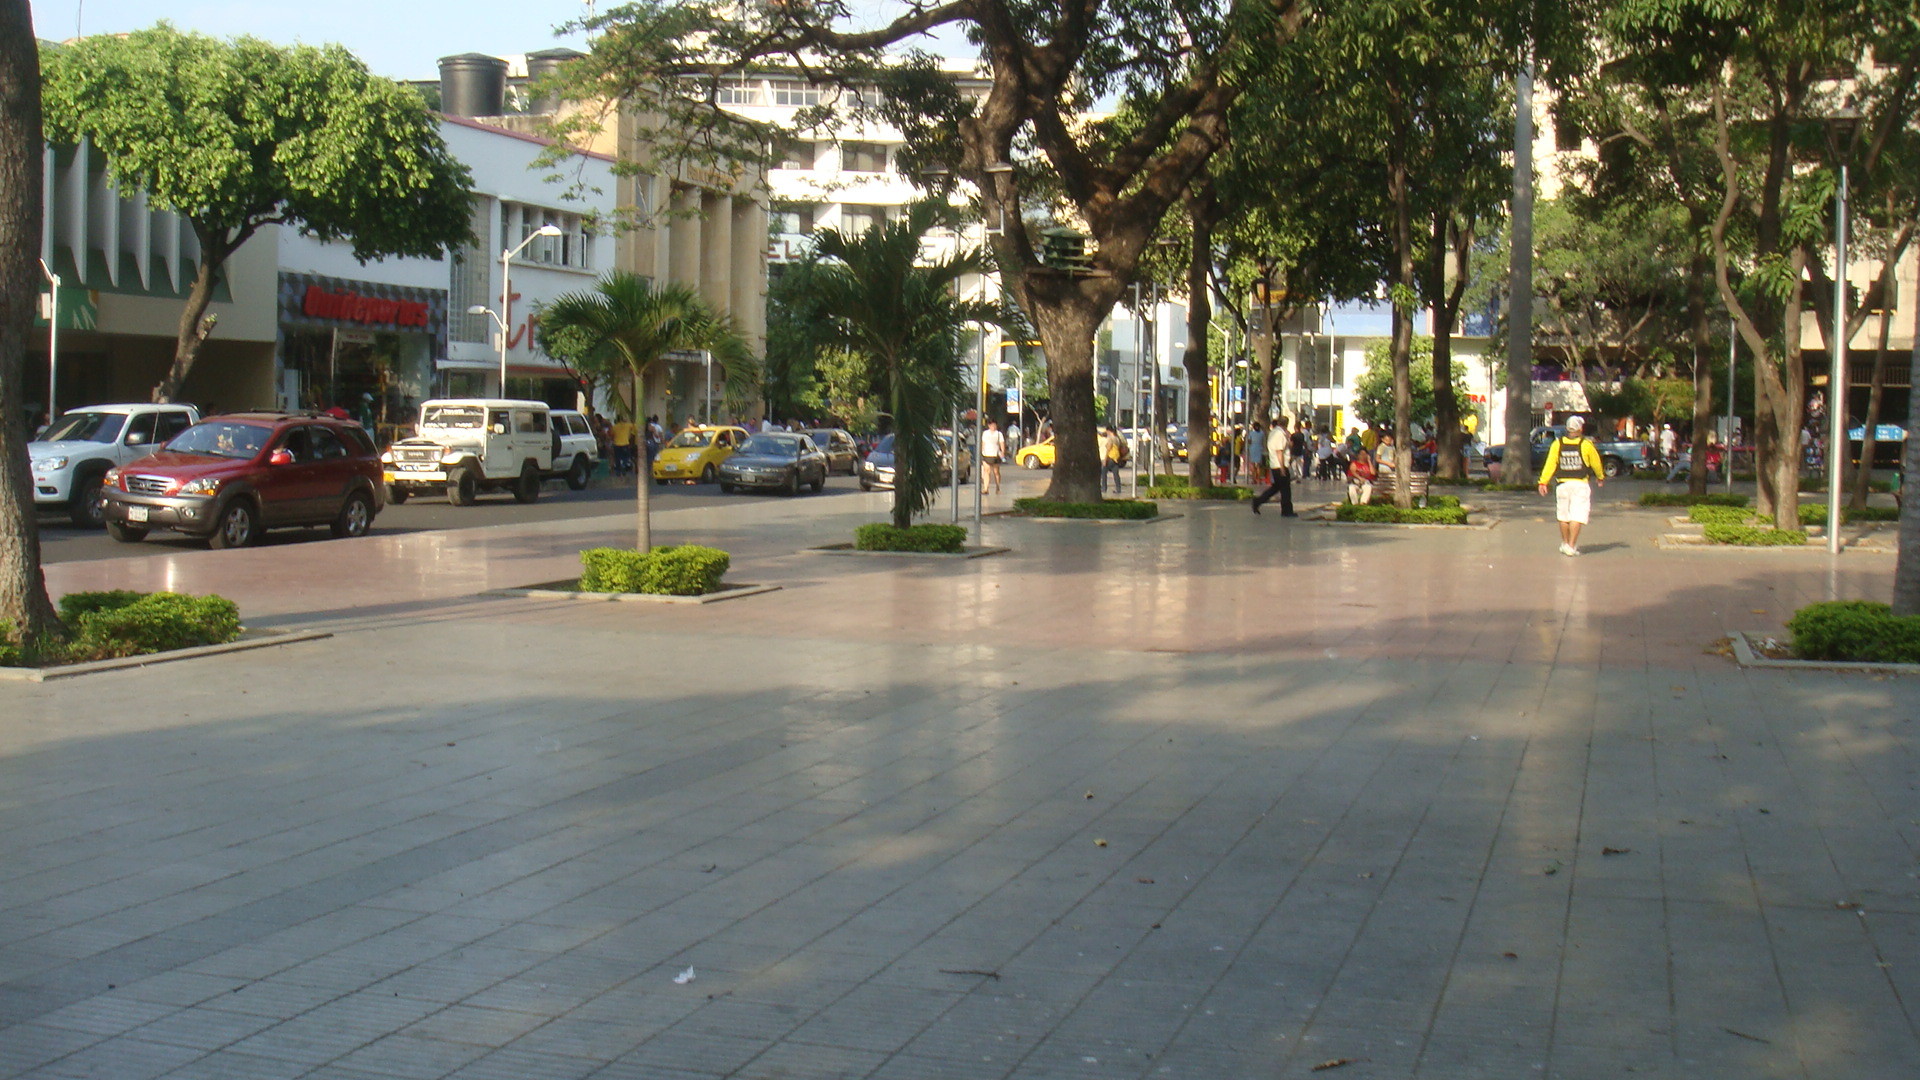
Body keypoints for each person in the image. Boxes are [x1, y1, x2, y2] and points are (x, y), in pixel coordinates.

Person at [1537, 413, 1605, 556]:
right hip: (1580, 484)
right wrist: (1600, 477)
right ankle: (1572, 546)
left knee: (1563, 516)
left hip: (1562, 484)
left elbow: (1550, 464)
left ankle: (1565, 543)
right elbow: (1596, 463)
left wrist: (1543, 481)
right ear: (1580, 429)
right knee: (1577, 515)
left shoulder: (1558, 444)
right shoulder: (1586, 444)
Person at [1251, 416, 1296, 516]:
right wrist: (1282, 468)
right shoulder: (1280, 434)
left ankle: (1258, 501)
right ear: (1286, 424)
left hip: (1274, 464)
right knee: (1285, 489)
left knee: (1276, 488)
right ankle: (1287, 511)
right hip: (1280, 465)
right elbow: (1279, 451)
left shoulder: (1274, 432)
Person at [1346, 437, 1376, 505]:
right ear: (1358, 455)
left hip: (1366, 483)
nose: (1363, 456)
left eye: (1365, 454)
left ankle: (1363, 503)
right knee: (1351, 488)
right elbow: (1352, 472)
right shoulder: (1354, 463)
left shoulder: (1369, 464)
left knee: (1368, 488)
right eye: (1361, 454)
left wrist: (1369, 461)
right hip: (1356, 483)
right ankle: (1355, 504)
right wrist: (1360, 478)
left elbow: (1373, 473)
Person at [980, 420, 1006, 495]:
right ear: (989, 425)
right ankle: (986, 488)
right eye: (992, 425)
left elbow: (1002, 443)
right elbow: (983, 443)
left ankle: (997, 487)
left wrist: (1003, 452)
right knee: (986, 471)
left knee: (996, 472)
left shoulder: (999, 434)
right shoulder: (985, 433)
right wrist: (981, 451)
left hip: (995, 455)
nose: (993, 427)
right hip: (986, 454)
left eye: (994, 425)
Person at [1101, 426, 1127, 494]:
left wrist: (1105, 459)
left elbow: (1108, 449)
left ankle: (1104, 488)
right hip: (1116, 458)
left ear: (1109, 431)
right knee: (1116, 474)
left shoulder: (1111, 439)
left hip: (1110, 458)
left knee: (1104, 473)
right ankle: (1118, 489)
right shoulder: (1117, 438)